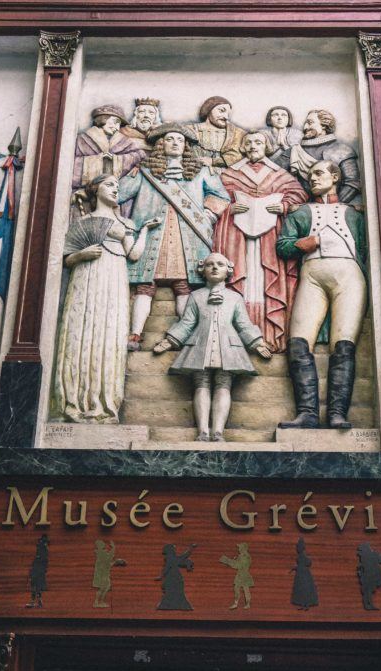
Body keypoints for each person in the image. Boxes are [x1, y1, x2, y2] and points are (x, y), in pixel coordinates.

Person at [52, 174, 160, 423]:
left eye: (117, 186)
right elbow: (67, 258)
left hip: (114, 278)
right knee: (82, 332)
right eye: (109, 185)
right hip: (87, 277)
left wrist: (143, 230)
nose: (115, 189)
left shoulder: (126, 222)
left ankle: (104, 404)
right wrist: (81, 255)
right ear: (94, 190)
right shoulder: (83, 221)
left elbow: (134, 254)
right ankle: (74, 402)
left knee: (110, 334)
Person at [118, 123, 231, 350]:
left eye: (180, 140)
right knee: (145, 286)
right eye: (170, 139)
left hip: (188, 235)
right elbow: (119, 194)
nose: (175, 143)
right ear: (161, 144)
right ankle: (135, 334)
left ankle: (185, 334)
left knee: (184, 285)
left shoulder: (200, 172)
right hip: (151, 236)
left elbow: (221, 196)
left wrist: (207, 214)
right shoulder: (144, 172)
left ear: (186, 146)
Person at [276, 161, 368, 429]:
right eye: (309, 175)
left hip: (349, 277)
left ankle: (338, 413)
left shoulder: (353, 214)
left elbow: (364, 248)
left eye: (318, 173)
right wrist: (302, 244)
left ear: (335, 177)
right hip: (312, 276)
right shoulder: (301, 213)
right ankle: (307, 413)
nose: (312, 179)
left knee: (344, 345)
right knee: (298, 342)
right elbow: (283, 246)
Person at [153, 254, 272, 441]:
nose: (215, 268)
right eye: (210, 265)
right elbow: (187, 322)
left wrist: (257, 342)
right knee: (201, 384)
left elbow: (243, 324)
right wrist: (169, 340)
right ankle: (203, 431)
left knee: (224, 384)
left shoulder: (234, 297)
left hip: (228, 346)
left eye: (220, 264)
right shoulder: (196, 296)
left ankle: (218, 431)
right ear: (203, 270)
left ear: (228, 270)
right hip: (200, 344)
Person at [215, 131, 308, 352]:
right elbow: (212, 198)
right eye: (249, 143)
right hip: (237, 238)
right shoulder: (230, 174)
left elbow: (299, 195)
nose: (253, 146)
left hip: (270, 236)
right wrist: (229, 208)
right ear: (243, 148)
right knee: (242, 279)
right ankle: (235, 337)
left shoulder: (279, 174)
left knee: (267, 281)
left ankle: (269, 335)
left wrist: (284, 206)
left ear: (266, 146)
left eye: (258, 142)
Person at [287, 109, 362, 207]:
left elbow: (352, 183)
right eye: (305, 124)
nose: (305, 127)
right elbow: (276, 177)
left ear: (324, 125)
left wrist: (331, 206)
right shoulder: (294, 151)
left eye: (310, 123)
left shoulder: (342, 150)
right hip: (300, 211)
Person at [72, 104, 146, 188]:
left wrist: (114, 159)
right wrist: (100, 160)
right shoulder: (83, 139)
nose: (117, 128)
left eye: (119, 124)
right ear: (103, 119)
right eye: (115, 122)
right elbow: (72, 166)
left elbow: (140, 156)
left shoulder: (124, 141)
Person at [185, 96, 247, 169]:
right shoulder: (190, 129)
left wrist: (213, 161)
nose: (226, 117)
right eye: (221, 111)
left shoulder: (236, 133)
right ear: (208, 109)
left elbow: (237, 156)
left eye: (228, 114)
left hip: (223, 176)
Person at [156, 543, 196, 610]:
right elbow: (184, 556)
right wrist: (191, 548)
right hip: (175, 577)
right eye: (174, 549)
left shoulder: (171, 558)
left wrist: (161, 576)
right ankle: (180, 605)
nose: (175, 550)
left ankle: (169, 605)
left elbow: (167, 568)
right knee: (175, 591)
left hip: (173, 577)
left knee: (172, 591)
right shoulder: (172, 558)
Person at [92, 540, 126, 608]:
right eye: (103, 546)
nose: (105, 547)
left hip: (104, 574)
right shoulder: (101, 553)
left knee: (105, 588)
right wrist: (113, 549)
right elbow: (107, 561)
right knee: (103, 588)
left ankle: (99, 602)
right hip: (102, 575)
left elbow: (107, 563)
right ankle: (98, 602)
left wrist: (115, 561)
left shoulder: (101, 553)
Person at [219, 543, 253, 610]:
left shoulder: (245, 557)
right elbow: (237, 563)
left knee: (245, 590)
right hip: (240, 574)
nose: (239, 549)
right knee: (237, 588)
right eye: (239, 547)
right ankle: (236, 603)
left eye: (240, 547)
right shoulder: (241, 556)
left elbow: (238, 565)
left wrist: (227, 561)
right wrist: (232, 560)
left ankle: (247, 604)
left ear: (243, 549)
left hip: (244, 575)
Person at [290, 538, 318, 610]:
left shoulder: (302, 555)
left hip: (303, 575)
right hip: (300, 574)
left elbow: (308, 562)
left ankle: (306, 605)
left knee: (305, 589)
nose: (297, 549)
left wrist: (299, 567)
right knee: (301, 589)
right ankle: (303, 605)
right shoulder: (300, 556)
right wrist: (295, 568)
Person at [26, 535, 49, 608]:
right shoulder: (44, 552)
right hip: (39, 570)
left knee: (34, 585)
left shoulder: (42, 552)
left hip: (37, 570)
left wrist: (33, 571)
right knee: (37, 586)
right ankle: (38, 601)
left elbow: (38, 562)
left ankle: (34, 602)